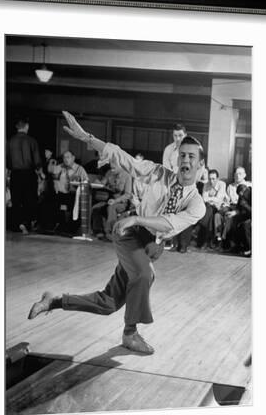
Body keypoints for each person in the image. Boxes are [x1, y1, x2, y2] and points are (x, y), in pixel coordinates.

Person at [27, 111, 206, 355]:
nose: (185, 160)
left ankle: (53, 301)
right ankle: (130, 334)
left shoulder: (197, 203)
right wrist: (87, 138)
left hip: (152, 247)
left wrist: (138, 217)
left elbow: (169, 223)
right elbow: (123, 158)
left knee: (108, 303)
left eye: (191, 157)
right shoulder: (157, 172)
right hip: (129, 234)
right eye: (182, 155)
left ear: (200, 164)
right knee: (144, 275)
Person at [6, 117, 42, 234]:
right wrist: (40, 173)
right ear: (27, 126)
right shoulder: (32, 141)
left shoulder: (10, 141)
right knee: (29, 200)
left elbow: (7, 160)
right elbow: (37, 160)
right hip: (29, 174)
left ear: (17, 127)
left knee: (16, 200)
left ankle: (16, 225)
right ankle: (25, 223)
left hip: (15, 174)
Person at [91, 163, 133, 239]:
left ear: (120, 166)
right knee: (96, 208)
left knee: (111, 207)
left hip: (121, 203)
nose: (112, 170)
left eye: (114, 168)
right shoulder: (109, 173)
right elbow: (103, 183)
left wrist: (116, 201)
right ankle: (98, 231)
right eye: (111, 168)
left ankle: (110, 232)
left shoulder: (127, 176)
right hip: (109, 200)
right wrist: (98, 183)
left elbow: (127, 195)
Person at [52, 150, 89, 234]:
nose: (66, 159)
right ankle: (59, 226)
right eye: (64, 157)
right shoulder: (59, 167)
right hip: (60, 193)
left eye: (68, 157)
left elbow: (86, 181)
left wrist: (78, 182)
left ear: (73, 158)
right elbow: (54, 180)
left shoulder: (79, 169)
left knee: (74, 204)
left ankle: (71, 229)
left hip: (74, 194)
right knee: (52, 202)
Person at [197, 169, 226, 247]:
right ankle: (207, 240)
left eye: (213, 179)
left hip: (219, 207)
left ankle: (202, 240)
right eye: (210, 179)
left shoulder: (222, 184)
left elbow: (219, 199)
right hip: (208, 207)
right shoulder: (206, 184)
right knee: (209, 213)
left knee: (208, 212)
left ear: (217, 179)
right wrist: (213, 199)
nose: (211, 181)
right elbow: (204, 198)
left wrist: (210, 199)